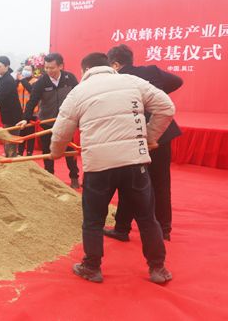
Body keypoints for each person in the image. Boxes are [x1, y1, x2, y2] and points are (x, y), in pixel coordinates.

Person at [50, 52, 174, 284]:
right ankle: (158, 268)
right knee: (147, 218)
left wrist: (56, 152)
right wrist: (149, 137)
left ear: (84, 70)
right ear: (109, 66)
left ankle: (92, 267)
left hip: (99, 166)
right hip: (134, 163)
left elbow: (61, 131)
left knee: (94, 219)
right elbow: (166, 107)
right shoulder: (132, 81)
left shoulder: (78, 92)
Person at [105, 44, 183, 242]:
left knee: (129, 183)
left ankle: (122, 229)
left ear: (115, 63)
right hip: (162, 133)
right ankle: (164, 229)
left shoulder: (116, 80)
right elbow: (177, 80)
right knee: (161, 183)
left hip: (135, 135)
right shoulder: (151, 71)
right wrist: (159, 94)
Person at [17, 53, 80, 188]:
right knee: (47, 151)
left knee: (69, 150)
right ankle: (50, 177)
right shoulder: (42, 82)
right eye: (46, 68)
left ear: (61, 66)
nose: (49, 71)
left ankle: (74, 176)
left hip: (66, 121)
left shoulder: (70, 79)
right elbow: (32, 101)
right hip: (47, 122)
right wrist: (25, 119)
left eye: (52, 68)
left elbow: (79, 97)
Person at [15, 64, 38, 156]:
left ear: (32, 72)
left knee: (30, 133)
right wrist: (17, 80)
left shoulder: (35, 81)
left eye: (28, 70)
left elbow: (32, 90)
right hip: (20, 111)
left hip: (32, 112)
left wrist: (23, 80)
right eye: (25, 69)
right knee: (21, 132)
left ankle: (29, 152)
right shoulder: (19, 81)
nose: (26, 71)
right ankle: (20, 151)